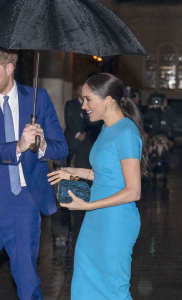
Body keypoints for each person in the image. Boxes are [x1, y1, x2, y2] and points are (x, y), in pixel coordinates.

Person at [0, 45, 68, 300]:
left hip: (25, 205)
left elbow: (61, 148)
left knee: (28, 284)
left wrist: (42, 145)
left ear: (9, 68)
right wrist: (18, 146)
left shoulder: (38, 99)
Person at [47, 73, 148, 299]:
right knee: (85, 283)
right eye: (82, 100)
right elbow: (106, 174)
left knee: (112, 289)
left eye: (88, 99)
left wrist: (87, 206)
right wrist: (73, 172)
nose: (83, 106)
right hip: (96, 217)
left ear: (108, 100)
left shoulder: (127, 132)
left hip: (116, 222)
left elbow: (133, 191)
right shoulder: (105, 129)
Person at [64, 85, 101, 168]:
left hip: (85, 138)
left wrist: (84, 133)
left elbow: (90, 122)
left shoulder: (90, 105)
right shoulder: (70, 103)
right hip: (72, 137)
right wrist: (77, 134)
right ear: (77, 92)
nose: (82, 93)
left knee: (82, 162)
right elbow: (68, 121)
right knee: (68, 162)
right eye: (80, 90)